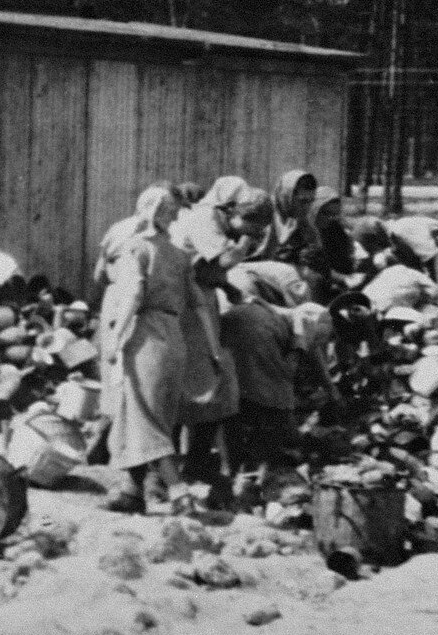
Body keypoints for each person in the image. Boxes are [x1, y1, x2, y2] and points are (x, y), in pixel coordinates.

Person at [170, 176, 275, 503]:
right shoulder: (204, 219)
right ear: (229, 209)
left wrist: (229, 287)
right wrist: (243, 246)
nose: (252, 233)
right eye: (249, 223)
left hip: (200, 301)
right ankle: (179, 466)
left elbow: (209, 271)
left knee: (207, 384)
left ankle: (196, 461)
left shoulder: (218, 223)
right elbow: (218, 262)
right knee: (202, 382)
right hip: (186, 306)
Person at [99, 185, 195, 514]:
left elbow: (133, 295)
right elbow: (195, 303)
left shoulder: (137, 248)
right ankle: (131, 491)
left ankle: (179, 491)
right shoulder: (179, 255)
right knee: (151, 414)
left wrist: (115, 337)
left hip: (146, 335)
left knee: (143, 416)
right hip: (174, 336)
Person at [221, 265, 301, 510]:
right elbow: (291, 364)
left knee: (234, 435)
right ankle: (251, 485)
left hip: (234, 387)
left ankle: (232, 484)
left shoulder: (229, 313)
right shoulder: (281, 318)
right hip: (267, 391)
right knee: (264, 442)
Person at [256, 169, 317, 263]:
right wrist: (282, 242)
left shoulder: (302, 221)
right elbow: (256, 260)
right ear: (287, 196)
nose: (307, 207)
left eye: (311, 201)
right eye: (303, 201)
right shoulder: (265, 215)